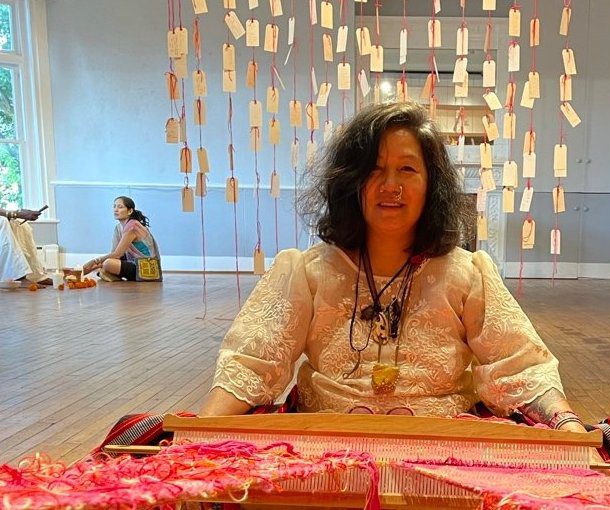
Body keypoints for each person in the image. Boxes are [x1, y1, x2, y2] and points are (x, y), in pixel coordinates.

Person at [200, 102, 587, 436]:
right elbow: (252, 365)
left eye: (407, 170)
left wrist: (568, 425)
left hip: (441, 449)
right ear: (351, 182)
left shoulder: (467, 274)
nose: (390, 186)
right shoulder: (307, 271)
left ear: (431, 184)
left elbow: (520, 366)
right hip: (327, 447)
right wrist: (196, 437)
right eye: (374, 170)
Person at [0, 144, 52, 286]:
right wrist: (15, 213)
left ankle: (36, 275)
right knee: (0, 222)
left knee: (20, 225)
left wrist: (18, 214)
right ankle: (15, 278)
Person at [82, 196, 159, 281]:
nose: (115, 209)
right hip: (131, 263)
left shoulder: (133, 226)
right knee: (106, 264)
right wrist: (83, 271)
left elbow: (117, 254)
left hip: (147, 267)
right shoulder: (118, 228)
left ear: (130, 211)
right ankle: (83, 274)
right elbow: (113, 254)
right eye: (114, 206)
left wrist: (93, 262)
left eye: (120, 207)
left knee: (108, 263)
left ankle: (112, 275)